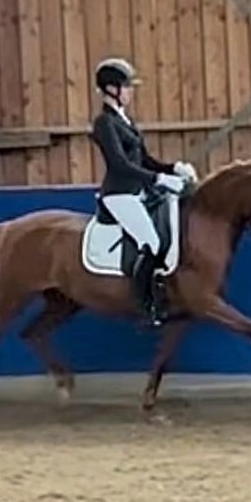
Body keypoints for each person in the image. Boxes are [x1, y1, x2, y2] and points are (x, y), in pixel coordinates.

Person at [90, 57, 198, 326]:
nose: (131, 92)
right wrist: (160, 179)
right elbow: (120, 165)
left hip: (138, 192)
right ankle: (144, 306)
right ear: (112, 89)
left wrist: (174, 168)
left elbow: (144, 160)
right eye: (126, 87)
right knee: (151, 243)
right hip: (119, 195)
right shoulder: (104, 123)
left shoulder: (125, 121)